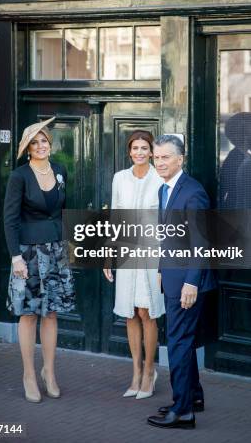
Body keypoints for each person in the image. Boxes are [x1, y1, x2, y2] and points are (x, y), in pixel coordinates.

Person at [147, 134, 217, 430]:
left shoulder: (193, 192)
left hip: (189, 282)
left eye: (165, 157)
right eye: (156, 157)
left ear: (180, 159)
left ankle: (182, 411)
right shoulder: (165, 189)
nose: (159, 162)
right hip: (173, 276)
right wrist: (163, 268)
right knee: (183, 342)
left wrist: (191, 283)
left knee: (177, 342)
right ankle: (194, 398)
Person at [4, 117, 74, 403]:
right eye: (35, 142)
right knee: (29, 314)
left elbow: (62, 210)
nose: (41, 145)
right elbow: (9, 219)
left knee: (53, 313)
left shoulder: (60, 170)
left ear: (50, 143)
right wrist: (15, 257)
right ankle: (29, 375)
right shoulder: (19, 176)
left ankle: (49, 372)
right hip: (29, 254)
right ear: (28, 148)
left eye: (44, 140)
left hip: (56, 251)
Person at [103, 130, 165, 399]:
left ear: (151, 151)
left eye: (144, 148)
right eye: (135, 148)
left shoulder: (161, 178)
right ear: (129, 151)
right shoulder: (120, 178)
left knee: (146, 312)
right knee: (129, 313)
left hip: (153, 253)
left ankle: (150, 371)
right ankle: (136, 373)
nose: (139, 152)